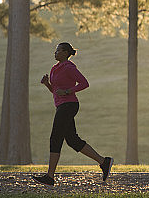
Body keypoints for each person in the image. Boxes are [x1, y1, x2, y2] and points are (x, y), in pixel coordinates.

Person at [32, 42, 113, 186]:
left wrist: (68, 91)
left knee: (55, 137)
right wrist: (47, 84)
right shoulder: (54, 68)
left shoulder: (69, 68)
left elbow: (84, 83)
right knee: (72, 140)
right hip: (61, 106)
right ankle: (104, 162)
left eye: (58, 50)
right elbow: (56, 91)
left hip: (69, 105)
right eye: (55, 50)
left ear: (65, 53)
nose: (55, 53)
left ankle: (50, 177)